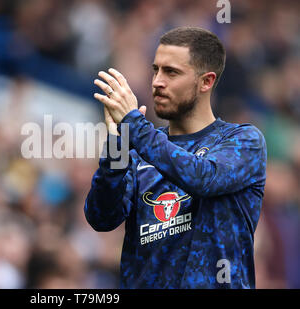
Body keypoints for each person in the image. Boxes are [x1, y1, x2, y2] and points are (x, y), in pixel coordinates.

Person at [85, 27, 267, 288]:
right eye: (155, 70)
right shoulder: (137, 150)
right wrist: (118, 145)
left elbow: (202, 178)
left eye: (171, 72)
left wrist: (134, 126)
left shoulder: (242, 142)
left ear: (206, 81)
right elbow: (101, 218)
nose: (157, 81)